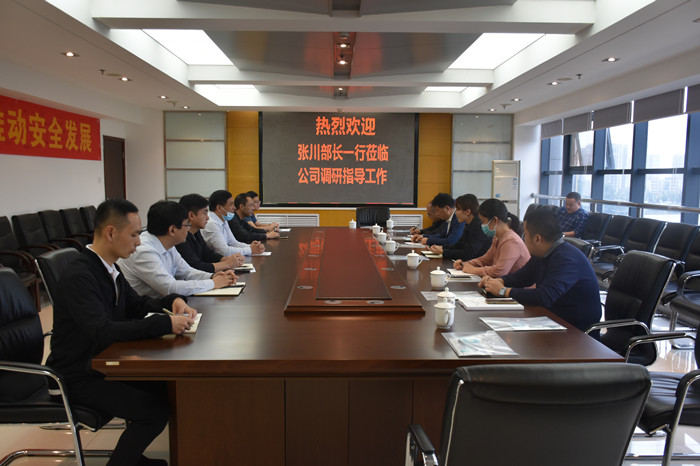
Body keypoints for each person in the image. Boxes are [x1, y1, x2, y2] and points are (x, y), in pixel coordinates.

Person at [46, 199, 196, 466]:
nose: (139, 242)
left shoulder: (108, 267)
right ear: (111, 233)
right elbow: (102, 331)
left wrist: (170, 301)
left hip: (99, 362)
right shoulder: (81, 275)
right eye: (135, 235)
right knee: (153, 411)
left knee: (166, 387)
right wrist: (164, 324)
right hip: (76, 375)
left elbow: (134, 304)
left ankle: (133, 458)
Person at [479, 207, 601, 331]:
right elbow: (522, 277)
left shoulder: (566, 258)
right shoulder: (544, 252)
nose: (524, 239)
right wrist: (499, 281)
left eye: (525, 235)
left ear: (537, 239)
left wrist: (503, 291)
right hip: (552, 320)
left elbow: (545, 296)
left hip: (576, 330)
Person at [119, 200, 237, 298]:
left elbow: (186, 272)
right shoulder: (144, 251)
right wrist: (213, 283)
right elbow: (170, 288)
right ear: (172, 230)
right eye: (187, 225)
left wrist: (212, 277)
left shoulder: (167, 243)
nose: (189, 229)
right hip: (145, 312)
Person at [454, 198, 530, 277]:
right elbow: (486, 259)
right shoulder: (497, 237)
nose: (482, 225)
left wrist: (473, 270)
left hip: (517, 285)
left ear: (494, 220)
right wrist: (466, 264)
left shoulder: (511, 241)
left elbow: (499, 271)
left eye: (483, 221)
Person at [176, 193, 245, 273]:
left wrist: (226, 259)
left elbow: (207, 254)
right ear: (191, 215)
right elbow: (195, 266)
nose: (208, 218)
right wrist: (227, 264)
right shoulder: (181, 237)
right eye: (205, 213)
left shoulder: (196, 232)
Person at [427, 194, 491, 261]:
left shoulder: (480, 227)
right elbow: (459, 245)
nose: (455, 213)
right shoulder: (468, 225)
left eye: (457, 209)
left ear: (467, 212)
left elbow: (469, 254)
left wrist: (443, 252)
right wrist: (442, 247)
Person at [202, 189, 265, 256]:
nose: (234, 208)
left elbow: (234, 243)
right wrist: (251, 250)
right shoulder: (211, 223)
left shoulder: (223, 220)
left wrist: (252, 247)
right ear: (219, 207)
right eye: (231, 204)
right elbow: (224, 251)